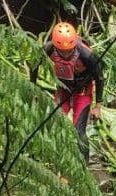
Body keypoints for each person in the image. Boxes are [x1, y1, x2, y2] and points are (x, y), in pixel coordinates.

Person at [41, 21, 103, 159]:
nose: (66, 53)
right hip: (63, 89)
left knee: (78, 131)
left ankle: (84, 166)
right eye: (62, 51)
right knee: (54, 123)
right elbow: (34, 65)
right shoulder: (48, 49)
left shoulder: (87, 55)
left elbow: (99, 78)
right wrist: (32, 88)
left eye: (69, 50)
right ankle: (58, 156)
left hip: (82, 92)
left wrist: (98, 106)